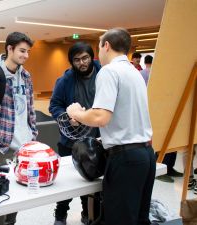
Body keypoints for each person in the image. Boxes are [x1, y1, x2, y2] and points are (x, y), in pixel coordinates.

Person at [66, 28, 156, 225]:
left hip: (126, 159)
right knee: (140, 219)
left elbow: (100, 117)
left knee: (120, 220)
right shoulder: (134, 72)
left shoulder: (109, 71)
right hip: (146, 155)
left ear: (106, 45)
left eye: (99, 46)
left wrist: (76, 113)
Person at [0, 32, 38, 225]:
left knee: (18, 195)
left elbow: (30, 107)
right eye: (22, 51)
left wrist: (33, 132)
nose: (26, 56)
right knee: (0, 197)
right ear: (9, 49)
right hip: (4, 147)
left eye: (28, 51)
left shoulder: (26, 75)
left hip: (25, 147)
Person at [49, 42, 101, 225]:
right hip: (70, 142)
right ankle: (60, 215)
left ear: (91, 57)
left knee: (92, 183)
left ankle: (88, 214)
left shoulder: (104, 74)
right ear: (71, 62)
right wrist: (66, 116)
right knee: (66, 184)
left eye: (85, 58)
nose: (82, 63)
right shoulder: (65, 81)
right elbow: (54, 105)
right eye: (77, 60)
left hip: (98, 141)